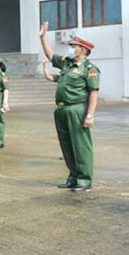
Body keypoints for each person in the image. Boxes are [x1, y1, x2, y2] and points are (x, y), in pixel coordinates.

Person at [39, 22, 100, 192]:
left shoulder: (89, 69)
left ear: (83, 50)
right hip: (61, 110)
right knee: (66, 146)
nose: (71, 49)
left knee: (80, 146)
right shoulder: (67, 63)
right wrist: (43, 38)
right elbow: (51, 56)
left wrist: (90, 115)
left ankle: (84, 180)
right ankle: (73, 177)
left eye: (74, 47)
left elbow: (93, 92)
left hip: (77, 110)